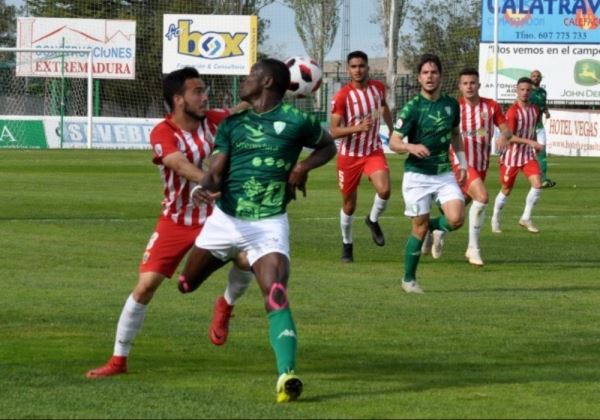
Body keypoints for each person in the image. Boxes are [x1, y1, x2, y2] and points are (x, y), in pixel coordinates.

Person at [176, 58, 336, 402]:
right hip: (226, 220)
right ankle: (226, 301)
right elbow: (216, 172)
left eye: (251, 75)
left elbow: (329, 145)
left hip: (269, 224)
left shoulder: (299, 121)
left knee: (276, 291)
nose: (244, 80)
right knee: (186, 285)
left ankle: (286, 375)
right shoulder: (233, 126)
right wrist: (202, 185)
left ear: (266, 82)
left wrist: (303, 168)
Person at [85, 67, 253, 379]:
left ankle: (226, 305)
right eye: (198, 91)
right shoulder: (163, 133)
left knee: (248, 259)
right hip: (176, 220)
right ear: (178, 99)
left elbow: (239, 110)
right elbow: (178, 164)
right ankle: (118, 361)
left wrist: (272, 87)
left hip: (216, 218)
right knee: (145, 286)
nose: (205, 97)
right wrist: (209, 182)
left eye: (204, 91)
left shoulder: (214, 120)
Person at [389, 53, 467, 294]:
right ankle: (409, 279)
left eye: (434, 72)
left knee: (456, 219)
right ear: (419, 78)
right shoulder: (412, 107)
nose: (430, 76)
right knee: (418, 229)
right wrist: (410, 146)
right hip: (417, 176)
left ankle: (434, 228)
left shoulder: (452, 105)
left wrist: (462, 162)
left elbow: (455, 134)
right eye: (425, 73)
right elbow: (393, 142)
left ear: (441, 76)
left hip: (443, 172)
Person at [443, 67, 512, 266]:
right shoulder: (453, 107)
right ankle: (473, 248)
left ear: (479, 84)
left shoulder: (491, 106)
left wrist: (502, 136)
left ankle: (437, 230)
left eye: (472, 82)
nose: (469, 86)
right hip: (460, 163)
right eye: (465, 83)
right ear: (459, 86)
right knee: (482, 197)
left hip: (481, 165)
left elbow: (506, 129)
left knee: (457, 212)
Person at [330, 50, 393, 263]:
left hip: (372, 150)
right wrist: (357, 128)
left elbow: (383, 106)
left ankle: (372, 220)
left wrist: (392, 131)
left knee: (384, 190)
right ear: (348, 70)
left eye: (361, 66)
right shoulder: (342, 96)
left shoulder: (378, 88)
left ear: (368, 67)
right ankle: (347, 244)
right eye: (354, 66)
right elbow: (334, 131)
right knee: (349, 206)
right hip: (349, 156)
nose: (358, 70)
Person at [490, 77, 545, 234]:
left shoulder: (535, 110)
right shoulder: (513, 112)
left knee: (537, 184)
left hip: (527, 155)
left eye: (528, 90)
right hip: (511, 156)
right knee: (506, 189)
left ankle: (525, 218)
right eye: (522, 89)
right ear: (517, 90)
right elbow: (509, 136)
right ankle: (495, 218)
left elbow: (532, 130)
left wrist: (535, 144)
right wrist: (531, 142)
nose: (525, 92)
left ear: (531, 91)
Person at [529, 70, 555, 188]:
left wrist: (546, 112)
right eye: (533, 76)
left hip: (539, 126)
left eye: (538, 76)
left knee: (542, 151)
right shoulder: (527, 91)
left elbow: (543, 105)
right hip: (528, 126)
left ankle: (543, 178)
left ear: (541, 78)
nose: (536, 78)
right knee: (522, 153)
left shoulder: (543, 92)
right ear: (530, 78)